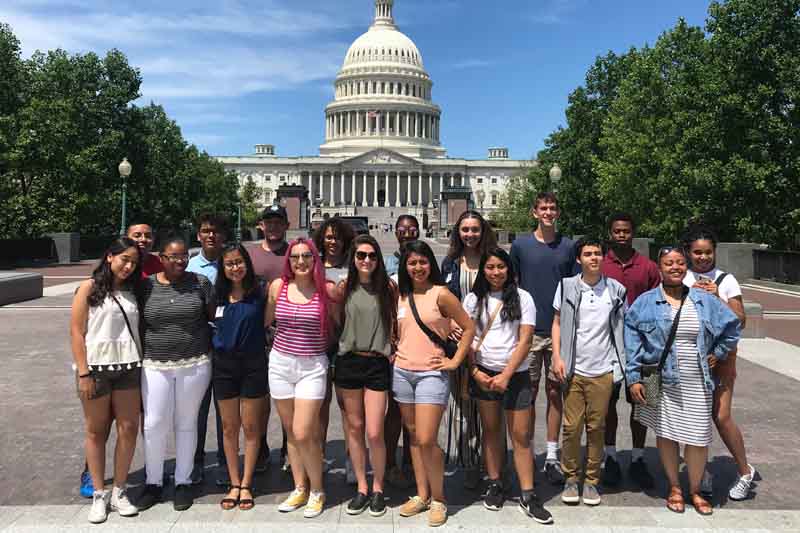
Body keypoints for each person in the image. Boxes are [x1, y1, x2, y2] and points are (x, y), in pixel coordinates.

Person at [626, 246, 740, 516]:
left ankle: (696, 488)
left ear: (685, 267)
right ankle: (675, 487)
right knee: (666, 435)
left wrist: (719, 353)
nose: (675, 267)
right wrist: (633, 378)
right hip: (661, 379)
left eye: (679, 263)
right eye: (668, 263)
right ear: (659, 268)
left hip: (697, 379)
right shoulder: (645, 302)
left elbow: (733, 325)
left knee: (698, 438)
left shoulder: (703, 299)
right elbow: (632, 343)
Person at [464, 247, 553, 523]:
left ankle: (527, 493)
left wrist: (506, 374)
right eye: (490, 267)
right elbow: (467, 337)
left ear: (509, 270)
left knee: (521, 435)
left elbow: (525, 340)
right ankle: (495, 482)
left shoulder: (523, 298)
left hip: (515, 374)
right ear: (483, 271)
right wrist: (474, 370)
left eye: (500, 267)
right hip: (484, 372)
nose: (495, 273)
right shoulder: (472, 299)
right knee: (491, 431)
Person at [393, 240, 475, 527]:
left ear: (431, 264)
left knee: (427, 439)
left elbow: (468, 327)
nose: (418, 267)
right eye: (412, 262)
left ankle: (439, 498)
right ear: (405, 266)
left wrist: (454, 362)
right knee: (414, 438)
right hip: (402, 372)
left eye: (423, 262)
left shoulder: (441, 294)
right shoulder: (400, 295)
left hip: (431, 373)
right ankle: (422, 493)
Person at [136, 237, 215, 512]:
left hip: (194, 363)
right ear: (162, 257)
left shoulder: (200, 283)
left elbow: (211, 315)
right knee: (154, 422)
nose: (180, 261)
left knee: (187, 422)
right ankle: (153, 482)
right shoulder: (145, 287)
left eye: (183, 255)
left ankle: (183, 481)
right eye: (173, 256)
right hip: (155, 364)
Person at [71, 238, 143, 523]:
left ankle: (120, 490)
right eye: (124, 259)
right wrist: (83, 372)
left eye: (134, 262)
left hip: (128, 366)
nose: (128, 266)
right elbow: (77, 332)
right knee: (96, 431)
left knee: (128, 429)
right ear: (110, 257)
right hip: (97, 369)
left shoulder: (133, 289)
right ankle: (99, 493)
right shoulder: (88, 287)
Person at [551, 238, 627, 507]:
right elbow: (557, 323)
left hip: (603, 370)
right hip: (573, 368)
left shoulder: (616, 289)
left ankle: (592, 481)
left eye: (597, 253)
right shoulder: (567, 286)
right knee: (571, 428)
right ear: (579, 259)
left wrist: (622, 365)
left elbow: (620, 328)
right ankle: (571, 477)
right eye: (588, 254)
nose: (593, 258)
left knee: (597, 428)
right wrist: (557, 356)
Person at [266, 238, 339, 518]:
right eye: (295, 257)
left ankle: (318, 489)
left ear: (315, 258)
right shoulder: (278, 287)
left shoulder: (327, 289)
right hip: (281, 363)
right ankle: (299, 487)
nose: (300, 262)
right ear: (288, 260)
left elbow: (336, 323)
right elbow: (267, 320)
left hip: (312, 366)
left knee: (303, 431)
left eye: (306, 256)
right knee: (291, 433)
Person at [510, 192, 579, 484]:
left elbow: (575, 287)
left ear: (558, 213)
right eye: (543, 208)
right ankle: (529, 452)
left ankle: (551, 455)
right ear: (534, 212)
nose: (548, 212)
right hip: (528, 331)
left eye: (553, 208)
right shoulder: (520, 246)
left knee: (555, 393)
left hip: (559, 331)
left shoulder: (568, 246)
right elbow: (511, 284)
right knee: (528, 394)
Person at [683, 225, 756, 500]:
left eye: (707, 252)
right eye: (697, 252)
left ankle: (745, 470)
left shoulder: (726, 280)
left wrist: (716, 297)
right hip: (691, 356)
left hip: (722, 357)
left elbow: (740, 320)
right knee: (692, 416)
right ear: (688, 253)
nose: (702, 257)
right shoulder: (683, 276)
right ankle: (701, 472)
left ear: (715, 252)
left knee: (721, 416)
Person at [334, 235, 397, 517]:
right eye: (361, 255)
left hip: (377, 364)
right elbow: (336, 322)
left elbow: (397, 320)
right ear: (353, 259)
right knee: (355, 429)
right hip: (349, 362)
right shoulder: (343, 288)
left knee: (375, 431)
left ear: (378, 259)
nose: (367, 260)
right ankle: (362, 486)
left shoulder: (389, 288)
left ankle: (379, 487)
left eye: (372, 255)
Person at [600, 213, 660, 488]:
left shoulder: (647, 266)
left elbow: (659, 302)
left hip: (642, 347)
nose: (621, 235)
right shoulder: (600, 264)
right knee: (607, 404)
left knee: (641, 402)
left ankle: (637, 458)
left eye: (625, 231)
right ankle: (610, 456)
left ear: (633, 233)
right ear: (610, 233)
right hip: (608, 345)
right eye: (616, 231)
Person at [440, 210, 498, 489]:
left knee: (488, 406)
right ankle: (468, 462)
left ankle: (493, 465)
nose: (470, 234)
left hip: (489, 341)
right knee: (461, 404)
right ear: (458, 232)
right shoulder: (450, 262)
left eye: (475, 229)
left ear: (482, 230)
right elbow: (438, 298)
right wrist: (448, 321)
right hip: (459, 343)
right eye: (465, 229)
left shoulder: (494, 261)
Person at [212, 244, 269, 511]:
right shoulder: (217, 296)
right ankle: (233, 482)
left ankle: (246, 483)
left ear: (247, 263)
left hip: (253, 365)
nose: (235, 268)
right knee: (228, 427)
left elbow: (269, 324)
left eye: (239, 262)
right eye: (229, 264)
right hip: (224, 367)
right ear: (223, 269)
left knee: (251, 427)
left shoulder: (260, 292)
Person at [312, 217, 356, 480]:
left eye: (337, 237)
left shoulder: (354, 266)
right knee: (319, 404)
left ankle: (354, 460)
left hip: (347, 343)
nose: (333, 242)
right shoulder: (311, 266)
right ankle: (318, 457)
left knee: (348, 406)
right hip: (318, 342)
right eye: (328, 237)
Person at [249, 204, 291, 473]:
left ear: (286, 225)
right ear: (261, 225)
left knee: (291, 398)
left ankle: (290, 447)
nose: (273, 226)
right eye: (269, 222)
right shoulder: (250, 255)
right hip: (258, 335)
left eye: (278, 222)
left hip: (290, 336)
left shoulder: (297, 254)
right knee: (259, 396)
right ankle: (261, 448)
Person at [189, 214, 228, 486]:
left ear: (223, 235)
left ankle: (227, 463)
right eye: (205, 231)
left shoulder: (233, 262)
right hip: (199, 346)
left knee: (225, 411)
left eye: (215, 231)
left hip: (227, 348)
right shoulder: (189, 266)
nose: (211, 235)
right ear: (198, 235)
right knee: (197, 410)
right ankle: (196, 461)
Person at [383, 214, 419, 488]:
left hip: (419, 346)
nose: (407, 232)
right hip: (396, 346)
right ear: (395, 231)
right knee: (395, 410)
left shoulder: (424, 259)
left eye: (411, 228)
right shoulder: (386, 263)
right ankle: (390, 463)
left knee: (416, 412)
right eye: (402, 228)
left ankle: (412, 460)